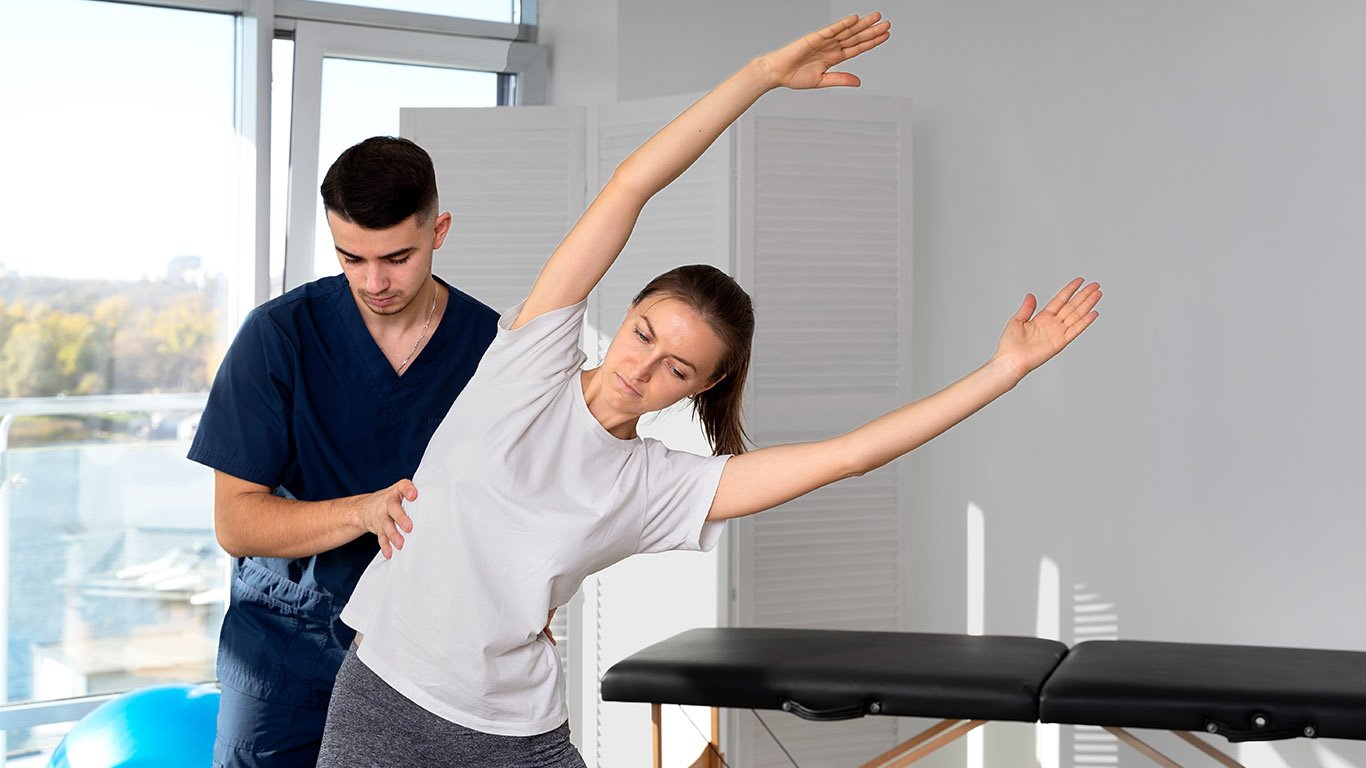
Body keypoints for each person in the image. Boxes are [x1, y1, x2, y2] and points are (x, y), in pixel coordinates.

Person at [317, 12, 1101, 767]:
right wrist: (761, 75)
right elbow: (630, 186)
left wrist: (1002, 372)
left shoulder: (657, 485)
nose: (642, 368)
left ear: (703, 386)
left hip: (514, 731)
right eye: (643, 334)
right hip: (384, 696)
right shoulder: (531, 360)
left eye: (677, 369)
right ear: (627, 312)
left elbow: (851, 455)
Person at [188, 136, 501, 767]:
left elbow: (515, 504)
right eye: (351, 257)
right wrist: (362, 512)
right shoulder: (277, 336)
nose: (374, 281)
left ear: (438, 231)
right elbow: (236, 522)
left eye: (397, 258)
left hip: (428, 649)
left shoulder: (492, 347)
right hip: (285, 646)